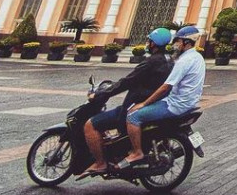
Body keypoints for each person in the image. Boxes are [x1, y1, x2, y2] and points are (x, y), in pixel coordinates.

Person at [77, 27, 173, 179]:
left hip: (135, 105)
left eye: (149, 41)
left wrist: (102, 94)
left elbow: (127, 82)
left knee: (90, 125)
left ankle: (101, 163)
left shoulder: (150, 62)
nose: (147, 43)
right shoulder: (169, 60)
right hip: (152, 103)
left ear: (154, 44)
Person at [119, 25, 206, 170]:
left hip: (175, 105)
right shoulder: (197, 57)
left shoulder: (184, 61)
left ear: (186, 42)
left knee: (133, 115)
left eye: (177, 41)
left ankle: (137, 152)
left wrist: (144, 103)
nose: (174, 44)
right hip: (188, 103)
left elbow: (166, 86)